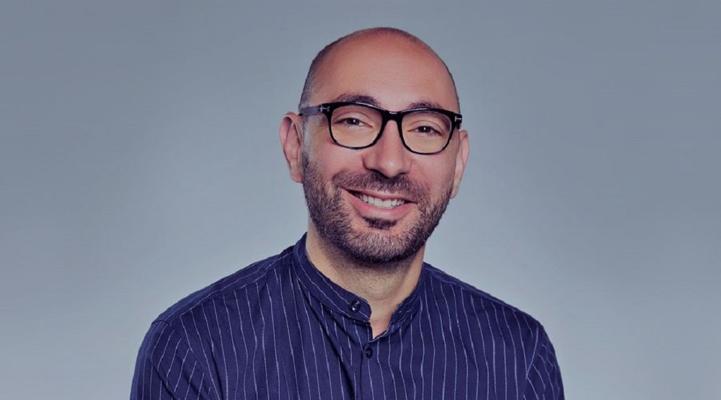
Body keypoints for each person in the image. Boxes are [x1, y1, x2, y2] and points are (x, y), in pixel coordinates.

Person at [131, 27, 564, 400]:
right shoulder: (195, 347)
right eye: (354, 121)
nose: (389, 162)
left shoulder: (518, 356)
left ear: (458, 164)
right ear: (295, 146)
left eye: (425, 128)